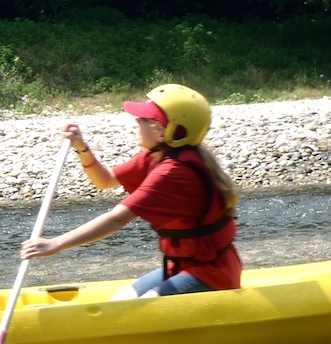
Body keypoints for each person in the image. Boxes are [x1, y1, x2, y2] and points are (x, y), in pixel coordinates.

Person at [20, 83, 241, 300]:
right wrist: (81, 147)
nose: (137, 120)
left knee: (142, 308)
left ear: (166, 132)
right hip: (181, 265)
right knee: (119, 303)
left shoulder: (173, 172)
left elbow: (116, 219)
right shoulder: (154, 157)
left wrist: (56, 244)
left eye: (145, 118)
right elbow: (105, 180)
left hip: (212, 273)